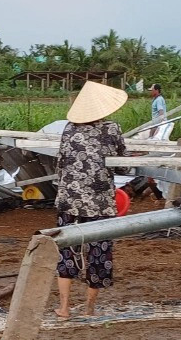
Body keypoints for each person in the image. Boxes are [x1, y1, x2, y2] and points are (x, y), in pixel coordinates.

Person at [54, 81, 128, 318]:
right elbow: (122, 164)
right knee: (99, 253)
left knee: (66, 251)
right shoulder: (111, 129)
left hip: (69, 200)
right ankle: (89, 308)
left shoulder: (68, 129)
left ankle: (64, 308)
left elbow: (61, 163)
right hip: (100, 203)